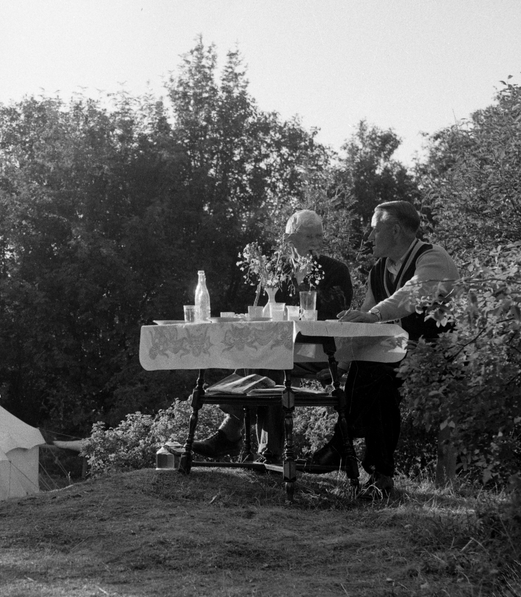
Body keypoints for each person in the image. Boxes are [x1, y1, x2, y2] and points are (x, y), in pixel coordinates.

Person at [310, 200, 459, 497]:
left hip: (439, 358)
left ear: (395, 230)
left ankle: (346, 448)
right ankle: (379, 474)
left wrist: (372, 315)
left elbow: (411, 294)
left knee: (378, 372)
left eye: (374, 230)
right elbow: (367, 325)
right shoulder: (378, 270)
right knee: (376, 370)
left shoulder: (432, 258)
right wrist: (339, 364)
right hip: (398, 359)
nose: (368, 238)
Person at [193, 210, 355, 462]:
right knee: (266, 359)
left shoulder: (336, 271)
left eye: (319, 236)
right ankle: (267, 453)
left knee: (267, 360)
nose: (315, 242)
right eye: (308, 236)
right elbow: (259, 314)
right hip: (277, 349)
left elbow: (337, 314)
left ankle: (232, 432)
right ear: (290, 239)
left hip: (320, 350)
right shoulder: (274, 271)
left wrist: (304, 284)